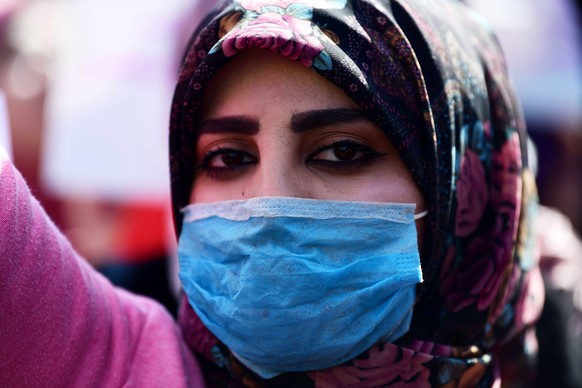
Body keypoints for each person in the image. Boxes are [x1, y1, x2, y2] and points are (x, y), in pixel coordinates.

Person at [0, 0, 543, 386]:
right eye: (228, 158)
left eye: (343, 152)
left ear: (465, 180)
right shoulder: (120, 366)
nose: (269, 204)